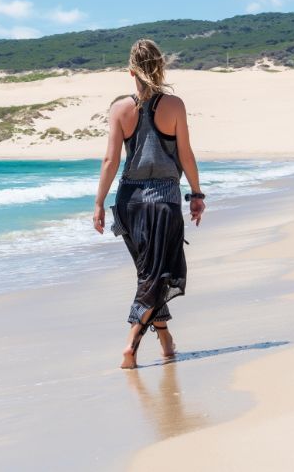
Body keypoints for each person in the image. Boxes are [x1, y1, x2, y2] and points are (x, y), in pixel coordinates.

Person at [93, 38, 206, 369]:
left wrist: (99, 203)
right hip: (164, 201)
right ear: (161, 67)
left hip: (129, 203)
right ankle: (130, 345)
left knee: (150, 273)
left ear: (131, 71)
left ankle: (166, 340)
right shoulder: (175, 106)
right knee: (154, 276)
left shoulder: (119, 109)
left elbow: (110, 161)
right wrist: (196, 194)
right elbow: (185, 154)